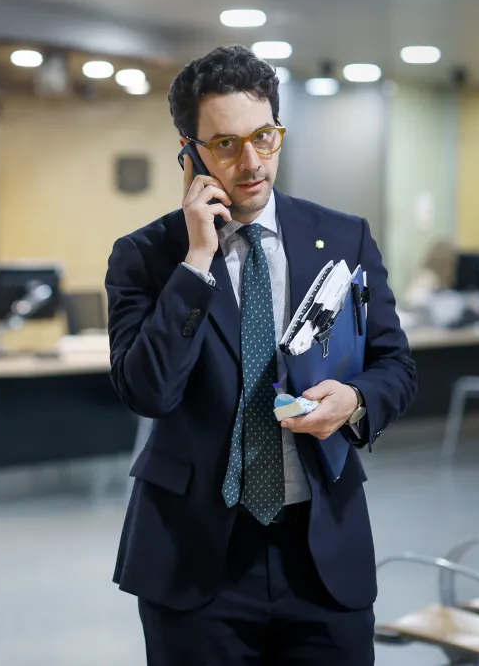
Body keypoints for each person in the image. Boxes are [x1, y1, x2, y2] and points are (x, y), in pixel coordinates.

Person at [105, 45, 418, 664]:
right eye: (224, 144)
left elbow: (396, 366)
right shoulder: (146, 256)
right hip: (195, 559)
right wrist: (196, 263)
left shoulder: (342, 236)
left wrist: (355, 400)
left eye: (264, 137)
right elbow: (148, 391)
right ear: (188, 152)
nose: (251, 162)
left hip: (322, 552)